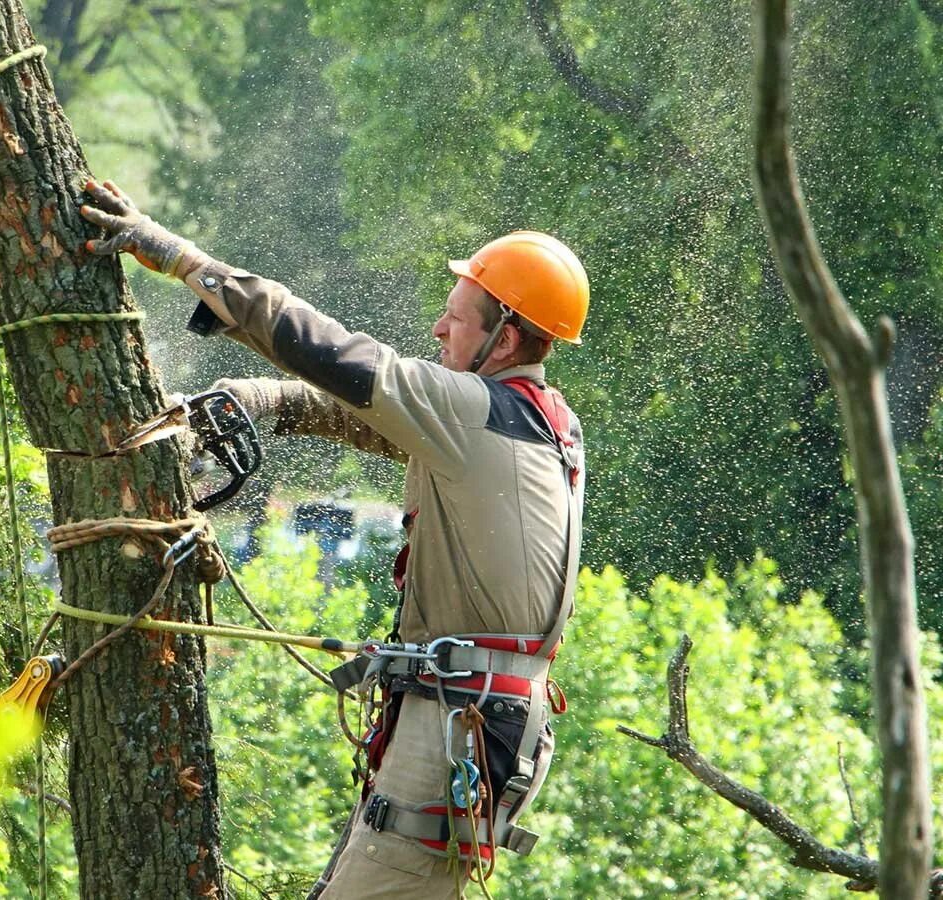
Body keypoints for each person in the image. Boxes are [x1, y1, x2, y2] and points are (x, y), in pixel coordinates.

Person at [80, 179, 588, 899]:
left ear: (503, 338)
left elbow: (336, 355)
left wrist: (185, 260)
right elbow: (365, 415)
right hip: (472, 717)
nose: (440, 333)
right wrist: (266, 401)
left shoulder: (473, 413)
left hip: (459, 723)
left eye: (457, 321)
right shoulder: (538, 421)